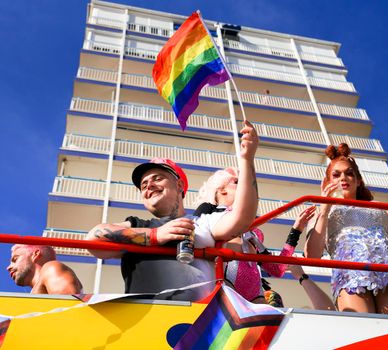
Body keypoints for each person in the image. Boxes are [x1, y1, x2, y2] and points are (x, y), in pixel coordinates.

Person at [86, 121, 259, 301]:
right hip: (145, 320)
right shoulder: (137, 225)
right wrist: (155, 236)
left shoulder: (203, 221)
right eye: (143, 185)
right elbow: (94, 239)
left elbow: (242, 218)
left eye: (157, 178)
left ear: (179, 185)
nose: (149, 186)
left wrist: (247, 161)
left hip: (199, 323)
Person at [305, 143, 388, 315]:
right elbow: (311, 255)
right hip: (349, 277)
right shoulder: (320, 211)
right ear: (327, 182)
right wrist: (324, 210)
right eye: (336, 175)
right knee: (364, 327)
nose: (343, 178)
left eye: (349, 173)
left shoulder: (376, 206)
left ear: (358, 180)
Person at [194, 166, 317, 303]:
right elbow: (193, 241)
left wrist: (296, 229)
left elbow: (277, 269)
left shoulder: (254, 232)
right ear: (222, 190)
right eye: (237, 183)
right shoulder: (209, 212)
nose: (244, 186)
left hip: (256, 296)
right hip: (224, 288)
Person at [7, 244, 82, 294]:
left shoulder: (51, 268)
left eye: (15, 259)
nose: (8, 267)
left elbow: (69, 306)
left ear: (35, 255)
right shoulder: (35, 291)